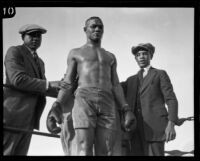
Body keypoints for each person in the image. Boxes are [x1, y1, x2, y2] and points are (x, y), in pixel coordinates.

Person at [46, 16, 136, 156]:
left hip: (107, 100)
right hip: (84, 98)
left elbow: (116, 85)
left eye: (100, 27)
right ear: (85, 29)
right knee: (84, 146)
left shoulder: (110, 56)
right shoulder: (76, 53)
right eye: (93, 26)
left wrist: (126, 109)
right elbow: (68, 82)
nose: (97, 29)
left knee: (107, 150)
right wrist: (56, 106)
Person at [3, 24, 62, 155]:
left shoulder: (40, 62)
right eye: (31, 35)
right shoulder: (15, 51)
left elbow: (43, 87)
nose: (35, 38)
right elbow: (17, 79)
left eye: (38, 36)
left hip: (29, 120)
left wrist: (66, 89)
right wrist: (50, 84)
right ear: (23, 37)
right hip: (13, 117)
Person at [121, 43, 179, 156]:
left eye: (144, 54)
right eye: (138, 55)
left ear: (151, 56)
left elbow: (171, 99)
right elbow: (114, 88)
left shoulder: (160, 74)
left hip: (155, 129)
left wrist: (171, 124)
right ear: (135, 58)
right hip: (134, 131)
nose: (141, 57)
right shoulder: (130, 80)